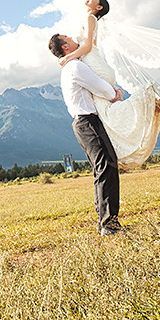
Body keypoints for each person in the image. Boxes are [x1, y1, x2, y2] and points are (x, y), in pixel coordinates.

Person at [53, 0, 160, 170]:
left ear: (99, 7)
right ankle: (145, 102)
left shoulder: (89, 18)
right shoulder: (89, 19)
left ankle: (147, 98)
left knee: (107, 113)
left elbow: (86, 47)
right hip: (96, 64)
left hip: (93, 63)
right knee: (106, 111)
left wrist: (67, 59)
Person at [50, 30, 124, 236]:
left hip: (83, 124)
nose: (75, 39)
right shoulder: (75, 67)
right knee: (107, 167)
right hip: (88, 122)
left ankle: (105, 222)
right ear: (65, 47)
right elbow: (99, 86)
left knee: (102, 169)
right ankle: (108, 225)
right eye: (70, 39)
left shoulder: (70, 65)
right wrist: (114, 94)